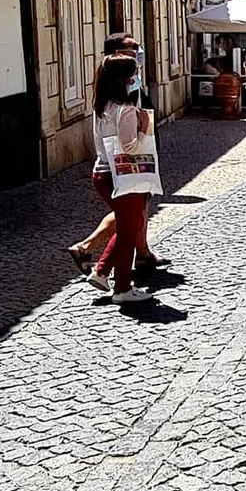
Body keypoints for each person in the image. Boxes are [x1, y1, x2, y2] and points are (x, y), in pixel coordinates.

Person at [68, 33, 170, 281]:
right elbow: (130, 143)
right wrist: (144, 127)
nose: (139, 55)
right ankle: (110, 273)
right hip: (125, 168)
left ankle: (111, 260)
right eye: (133, 51)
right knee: (130, 222)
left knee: (131, 218)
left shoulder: (102, 100)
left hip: (110, 168)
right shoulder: (122, 101)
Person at [89, 54, 160, 305]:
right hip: (124, 176)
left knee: (126, 224)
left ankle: (101, 271)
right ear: (125, 79)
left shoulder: (101, 106)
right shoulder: (125, 110)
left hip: (102, 172)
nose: (136, 79)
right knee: (130, 230)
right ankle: (122, 288)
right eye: (134, 74)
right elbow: (129, 147)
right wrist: (144, 126)